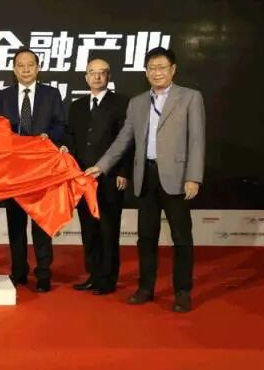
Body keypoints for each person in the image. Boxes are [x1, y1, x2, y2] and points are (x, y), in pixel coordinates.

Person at [86, 47, 205, 312]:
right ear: (146, 72)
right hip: (145, 177)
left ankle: (182, 291)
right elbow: (123, 139)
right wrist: (101, 166)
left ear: (173, 70)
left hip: (177, 177)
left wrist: (193, 177)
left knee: (181, 238)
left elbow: (197, 140)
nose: (156, 72)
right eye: (152, 68)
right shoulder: (138, 102)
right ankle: (145, 288)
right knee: (146, 237)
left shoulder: (190, 97)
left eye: (162, 67)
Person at [0, 48, 66, 293]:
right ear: (14, 70)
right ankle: (19, 271)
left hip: (41, 169)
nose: (25, 69)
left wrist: (48, 136)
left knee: (41, 223)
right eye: (20, 65)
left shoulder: (51, 94)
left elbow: (61, 124)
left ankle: (43, 273)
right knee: (15, 224)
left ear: (38, 68)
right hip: (13, 170)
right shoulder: (3, 96)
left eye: (30, 65)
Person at [64, 57, 130, 295]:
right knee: (89, 229)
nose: (97, 76)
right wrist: (65, 151)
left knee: (108, 229)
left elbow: (127, 140)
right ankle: (93, 275)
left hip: (110, 178)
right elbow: (71, 137)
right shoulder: (77, 106)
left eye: (102, 72)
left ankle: (107, 280)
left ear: (109, 76)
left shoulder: (122, 103)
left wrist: (123, 171)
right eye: (92, 72)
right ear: (86, 77)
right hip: (82, 178)